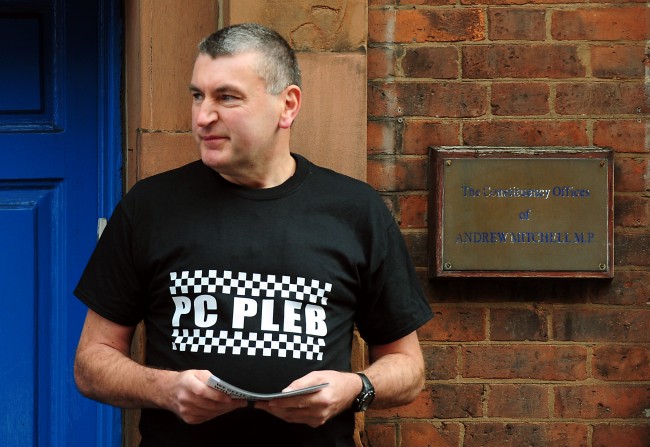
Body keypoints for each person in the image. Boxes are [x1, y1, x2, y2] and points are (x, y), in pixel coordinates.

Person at [73, 22, 433, 447]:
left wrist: (354, 389)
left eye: (227, 97)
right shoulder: (149, 206)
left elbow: (408, 368)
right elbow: (91, 363)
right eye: (197, 96)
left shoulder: (356, 210)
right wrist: (165, 390)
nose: (203, 116)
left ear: (288, 105)